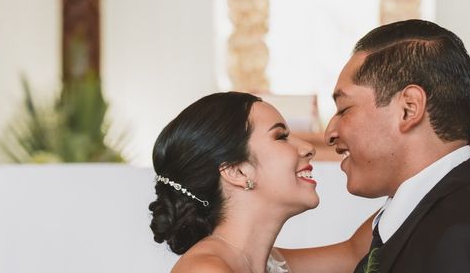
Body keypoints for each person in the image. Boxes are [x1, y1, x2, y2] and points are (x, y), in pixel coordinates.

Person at [303, 19, 470, 272]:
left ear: (409, 108)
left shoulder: (465, 235)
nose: (329, 133)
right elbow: (351, 255)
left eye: (344, 109)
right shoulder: (444, 206)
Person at [149, 91, 372, 273]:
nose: (308, 148)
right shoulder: (204, 270)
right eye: (281, 137)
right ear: (237, 171)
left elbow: (353, 254)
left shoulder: (266, 263)